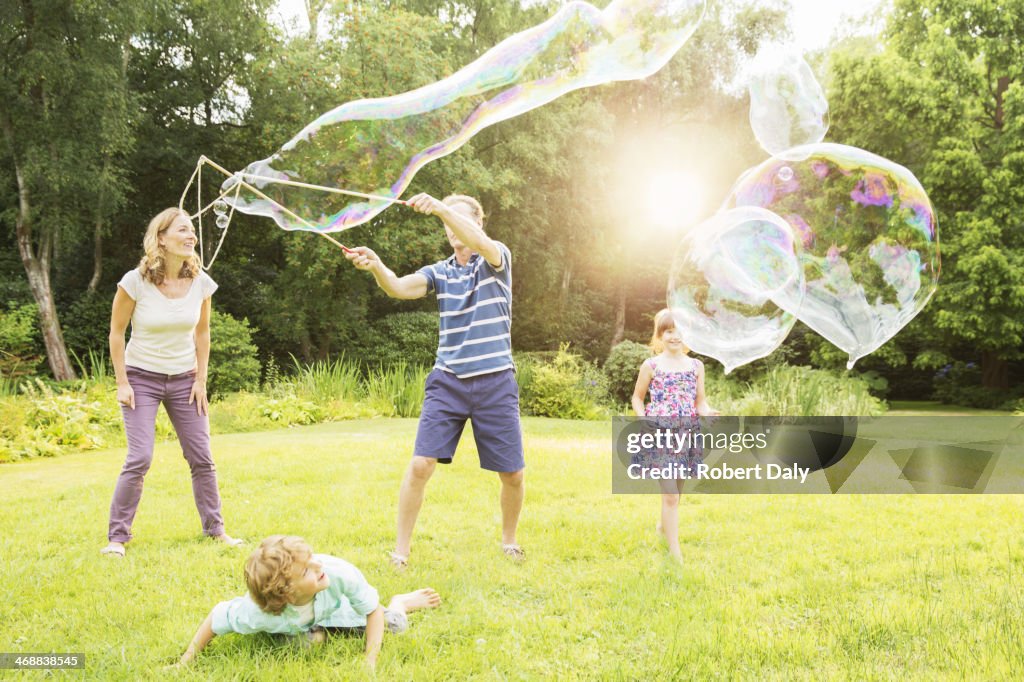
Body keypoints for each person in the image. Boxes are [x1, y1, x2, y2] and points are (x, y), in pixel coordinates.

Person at [345, 193, 525, 568]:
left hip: (495, 379)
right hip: (449, 380)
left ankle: (509, 541)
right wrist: (377, 265)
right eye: (446, 222)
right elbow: (398, 288)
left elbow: (481, 244)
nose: (451, 228)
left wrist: (443, 208)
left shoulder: (496, 258)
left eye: (459, 219)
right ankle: (401, 552)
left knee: (512, 473)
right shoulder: (440, 272)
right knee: (420, 465)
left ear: (477, 222)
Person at [101, 207, 241, 557]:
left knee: (202, 458)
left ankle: (216, 531)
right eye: (182, 229)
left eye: (192, 230)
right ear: (161, 238)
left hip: (185, 380)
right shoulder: (135, 281)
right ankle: (117, 538)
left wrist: (201, 379)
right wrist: (122, 382)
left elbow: (203, 333)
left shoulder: (201, 282)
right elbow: (117, 334)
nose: (190, 235)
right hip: (141, 378)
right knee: (140, 457)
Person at [176, 535, 441, 670]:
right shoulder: (257, 613)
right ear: (287, 594)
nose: (317, 564)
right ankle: (315, 634)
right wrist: (187, 658)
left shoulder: (336, 572)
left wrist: (369, 659)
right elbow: (217, 616)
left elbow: (371, 611)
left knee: (394, 625)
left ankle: (400, 603)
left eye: (312, 557)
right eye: (305, 571)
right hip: (297, 624)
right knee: (306, 645)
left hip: (341, 614)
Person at [630, 308, 718, 562]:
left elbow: (700, 402)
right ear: (660, 335)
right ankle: (675, 551)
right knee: (670, 495)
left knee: (677, 493)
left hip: (687, 433)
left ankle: (662, 526)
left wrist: (708, 412)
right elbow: (637, 397)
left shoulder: (696, 366)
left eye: (679, 330)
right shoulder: (651, 365)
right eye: (669, 331)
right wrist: (643, 418)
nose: (674, 336)